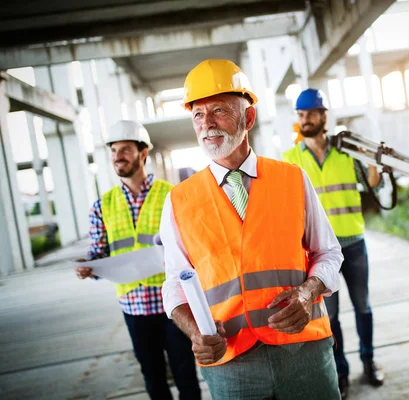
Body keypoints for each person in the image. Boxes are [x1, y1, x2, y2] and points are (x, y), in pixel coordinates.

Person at [159, 59, 344, 400]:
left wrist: (307, 293)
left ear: (248, 118)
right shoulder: (178, 200)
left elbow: (328, 252)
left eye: (219, 110)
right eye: (198, 115)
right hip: (231, 361)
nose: (207, 124)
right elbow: (174, 283)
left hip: (303, 350)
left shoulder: (292, 178)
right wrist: (194, 333)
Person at [75, 120, 201, 400]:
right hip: (133, 306)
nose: (118, 156)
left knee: (186, 375)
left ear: (143, 153)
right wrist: (89, 268)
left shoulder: (172, 195)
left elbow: (191, 245)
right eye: (114, 150)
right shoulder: (102, 205)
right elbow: (99, 254)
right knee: (153, 377)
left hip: (174, 304)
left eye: (126, 149)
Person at [283, 88, 385, 398]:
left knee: (363, 306)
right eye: (301, 115)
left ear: (324, 116)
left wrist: (371, 159)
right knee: (332, 315)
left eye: (311, 114)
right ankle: (340, 371)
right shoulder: (290, 159)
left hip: (353, 242)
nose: (306, 120)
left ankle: (368, 362)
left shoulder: (346, 153)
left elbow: (371, 183)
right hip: (318, 252)